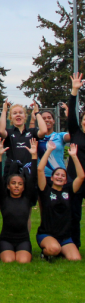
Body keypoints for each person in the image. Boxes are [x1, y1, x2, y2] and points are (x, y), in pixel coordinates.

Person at [37, 141, 84, 261]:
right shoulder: (45, 190)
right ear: (52, 178)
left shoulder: (69, 191)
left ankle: (59, 250)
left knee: (75, 259)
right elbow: (40, 170)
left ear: (65, 180)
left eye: (63, 176)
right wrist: (48, 151)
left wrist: (74, 156)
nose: (60, 177)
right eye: (57, 175)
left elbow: (81, 177)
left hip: (65, 236)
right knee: (54, 249)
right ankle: (46, 253)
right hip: (47, 234)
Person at [0, 138, 37, 263]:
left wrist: (34, 156)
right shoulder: (4, 199)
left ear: (24, 187)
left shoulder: (27, 198)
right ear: (8, 186)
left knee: (23, 261)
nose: (16, 186)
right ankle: (5, 251)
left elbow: (33, 176)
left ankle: (23, 250)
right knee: (8, 261)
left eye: (19, 184)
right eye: (13, 183)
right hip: (6, 239)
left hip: (23, 239)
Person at [66, 73, 85, 248]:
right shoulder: (76, 133)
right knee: (74, 215)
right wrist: (74, 90)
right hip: (75, 179)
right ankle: (74, 245)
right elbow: (71, 113)